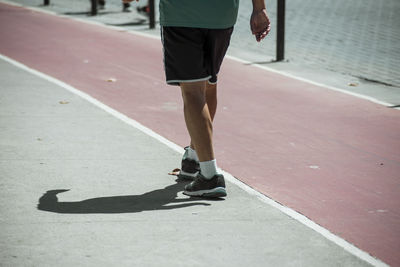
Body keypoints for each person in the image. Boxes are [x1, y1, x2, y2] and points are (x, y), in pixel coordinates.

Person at [126, 0, 271, 198]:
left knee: (193, 91)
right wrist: (259, 8)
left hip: (182, 15)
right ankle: (194, 157)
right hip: (222, 16)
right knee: (208, 85)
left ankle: (210, 176)